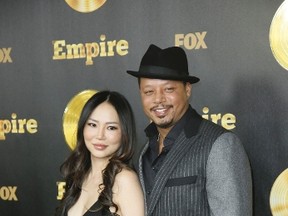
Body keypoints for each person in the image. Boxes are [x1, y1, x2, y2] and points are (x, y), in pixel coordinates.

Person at [126, 44, 253, 216]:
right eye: (149, 92)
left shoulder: (220, 145)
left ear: (187, 89)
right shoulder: (144, 152)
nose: (158, 99)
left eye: (168, 89)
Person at [55, 90, 145, 216]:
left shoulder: (124, 180)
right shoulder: (80, 174)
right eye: (93, 125)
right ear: (83, 127)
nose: (100, 135)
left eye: (111, 127)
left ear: (124, 133)